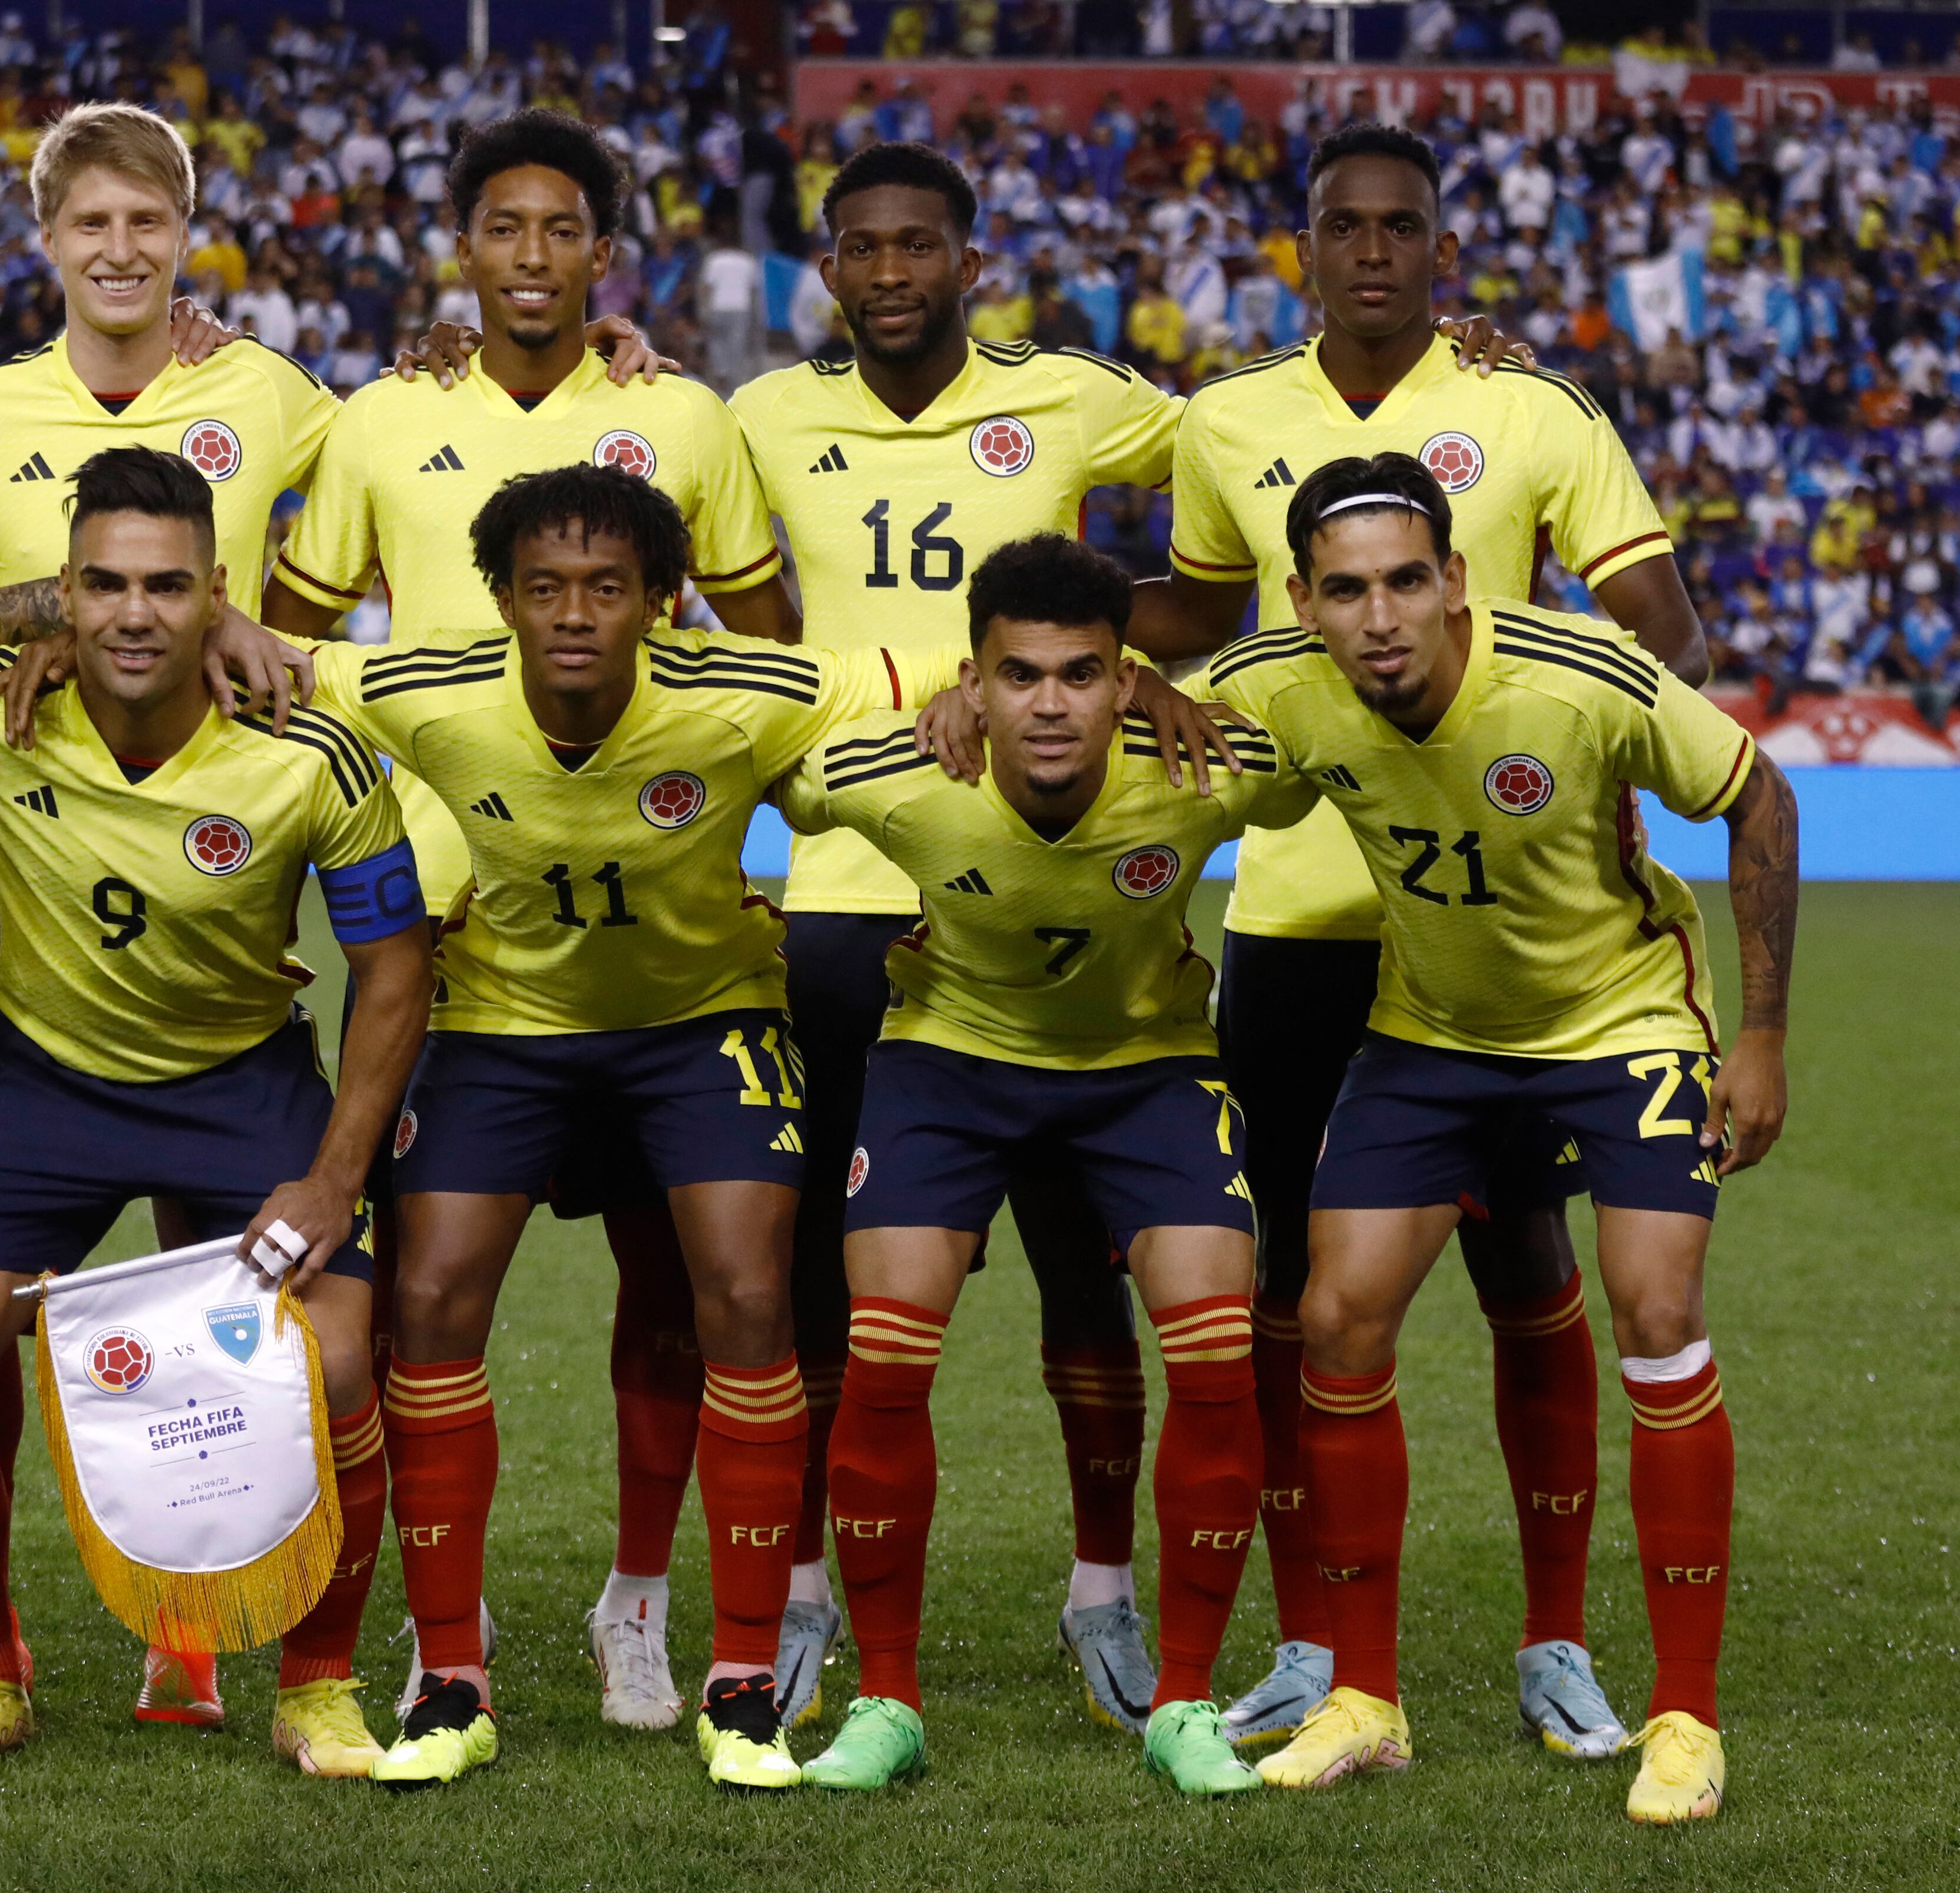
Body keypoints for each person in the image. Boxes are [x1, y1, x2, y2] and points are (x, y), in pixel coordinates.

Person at [242, 464, 958, 1789]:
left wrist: (1007, 681)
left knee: (747, 1294)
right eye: (546, 587)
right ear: (502, 601)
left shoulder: (746, 690)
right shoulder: (424, 686)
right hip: (504, 1024)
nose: (575, 612)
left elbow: (947, 663)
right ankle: (451, 1672)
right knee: (435, 1293)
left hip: (704, 1025)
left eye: (608, 588)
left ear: (664, 604)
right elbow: (268, 653)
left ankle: (741, 1681)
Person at [1138, 121, 1710, 1751]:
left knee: (1531, 1272)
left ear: (1444, 250)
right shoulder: (1229, 418)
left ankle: (1553, 1641)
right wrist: (1070, 629)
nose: (1374, 249)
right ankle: (1321, 1650)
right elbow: (1193, 611)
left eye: (1404, 225)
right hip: (1296, 914)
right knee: (1296, 1303)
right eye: (1344, 225)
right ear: (1301, 249)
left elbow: (1662, 625)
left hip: (1495, 940)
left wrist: (1571, 747)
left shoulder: (1531, 407)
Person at [260, 108, 799, 1732]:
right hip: (434, 919)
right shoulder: (381, 416)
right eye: (505, 229)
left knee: (677, 1281)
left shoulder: (683, 418)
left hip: (650, 916)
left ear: (601, 257)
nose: (534, 258)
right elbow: (279, 648)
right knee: (435, 1288)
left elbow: (771, 656)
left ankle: (641, 1597)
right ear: (466, 249)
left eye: (564, 231)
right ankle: (450, 1617)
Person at [1207, 452, 1793, 1826]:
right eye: (1345, 591)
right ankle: (1363, 1696)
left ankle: (1685, 1716)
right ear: (1302, 602)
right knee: (1333, 1313)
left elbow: (1759, 794)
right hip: (1431, 1036)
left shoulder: (1577, 675)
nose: (1382, 617)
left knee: (1656, 1306)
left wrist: (1757, 1034)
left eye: (1409, 580)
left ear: (1455, 581)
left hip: (1619, 1021)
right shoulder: (1276, 691)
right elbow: (1135, 734)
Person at [0, 446, 429, 1780]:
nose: (133, 613)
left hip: (239, 1084)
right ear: (65, 590)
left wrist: (334, 1180)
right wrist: (27, 619)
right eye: (103, 585)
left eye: (169, 588)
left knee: (338, 1354)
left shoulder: (305, 750)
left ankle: (319, 1680)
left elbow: (397, 971)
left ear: (217, 597)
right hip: (46, 1083)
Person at [730, 137, 1203, 1733]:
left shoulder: (1071, 394)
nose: (886, 273)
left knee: (1089, 1263)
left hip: (1062, 887)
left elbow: (1250, 459)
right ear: (829, 267)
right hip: (843, 893)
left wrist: (1126, 653)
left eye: (916, 246)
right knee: (821, 1282)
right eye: (858, 248)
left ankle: (1101, 1592)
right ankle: (801, 1590)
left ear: (968, 259)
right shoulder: (761, 414)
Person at [0, 100, 340, 1729]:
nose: (122, 250)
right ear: (48, 239)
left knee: (199, 1281)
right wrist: (25, 619)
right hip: (4, 895)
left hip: (209, 877)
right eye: (93, 226)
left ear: (186, 231)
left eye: (150, 222)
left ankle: (189, 1620)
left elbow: (344, 576)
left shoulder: (273, 391)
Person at [767, 534, 1310, 1797]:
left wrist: (1193, 696)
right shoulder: (894, 771)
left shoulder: (1202, 769)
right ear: (977, 680)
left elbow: (1324, 745)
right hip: (946, 1066)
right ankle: (887, 1697)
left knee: (1217, 1353)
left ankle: (1183, 1700)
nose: (1051, 702)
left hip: (1147, 1068)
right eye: (1020, 676)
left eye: (1082, 673)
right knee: (887, 1352)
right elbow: (760, 768)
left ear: (1125, 681)